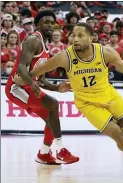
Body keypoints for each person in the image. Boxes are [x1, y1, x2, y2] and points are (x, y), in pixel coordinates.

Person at [13, 23, 123, 172]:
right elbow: (38, 71)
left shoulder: (106, 52)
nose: (75, 39)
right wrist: (23, 78)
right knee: (117, 134)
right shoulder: (64, 57)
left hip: (110, 96)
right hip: (87, 104)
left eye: (80, 36)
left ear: (91, 38)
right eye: (73, 36)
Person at [5, 10, 79, 165]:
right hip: (16, 88)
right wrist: (32, 83)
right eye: (46, 22)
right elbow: (21, 68)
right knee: (53, 105)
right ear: (37, 25)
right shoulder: (33, 40)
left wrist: (57, 88)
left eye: (52, 22)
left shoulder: (46, 47)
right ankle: (60, 150)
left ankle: (44, 154)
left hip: (28, 87)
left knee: (51, 119)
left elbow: (42, 80)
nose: (50, 25)